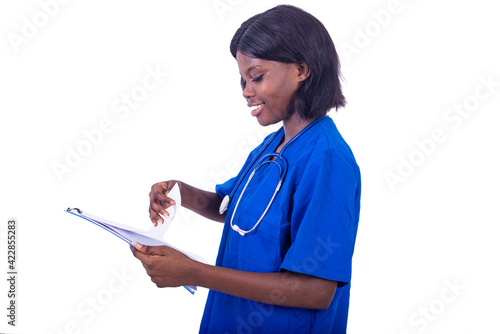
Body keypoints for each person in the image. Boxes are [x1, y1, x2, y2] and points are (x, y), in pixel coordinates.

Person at [131, 5, 361, 333]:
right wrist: (178, 192)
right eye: (242, 80)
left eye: (256, 76)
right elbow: (233, 209)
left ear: (300, 70)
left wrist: (194, 272)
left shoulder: (327, 159)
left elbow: (317, 291)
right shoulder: (272, 147)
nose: (246, 91)